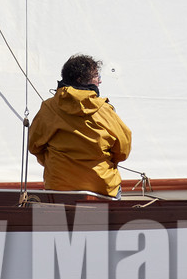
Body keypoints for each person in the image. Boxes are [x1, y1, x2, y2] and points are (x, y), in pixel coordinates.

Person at [27, 53, 133, 197]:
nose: (100, 81)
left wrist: (53, 162)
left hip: (59, 186)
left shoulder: (49, 108)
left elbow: (34, 145)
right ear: (81, 80)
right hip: (101, 188)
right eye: (97, 76)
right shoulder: (105, 111)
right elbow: (123, 149)